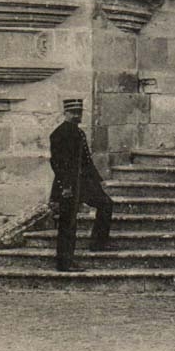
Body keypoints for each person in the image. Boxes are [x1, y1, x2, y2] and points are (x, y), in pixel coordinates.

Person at [49, 98, 114, 271]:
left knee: (106, 203)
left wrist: (99, 180)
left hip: (84, 183)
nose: (78, 115)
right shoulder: (59, 134)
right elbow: (57, 164)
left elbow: (86, 161)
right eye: (74, 112)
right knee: (68, 223)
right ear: (66, 113)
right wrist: (66, 187)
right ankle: (64, 262)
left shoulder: (79, 133)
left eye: (80, 112)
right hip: (68, 185)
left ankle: (98, 243)